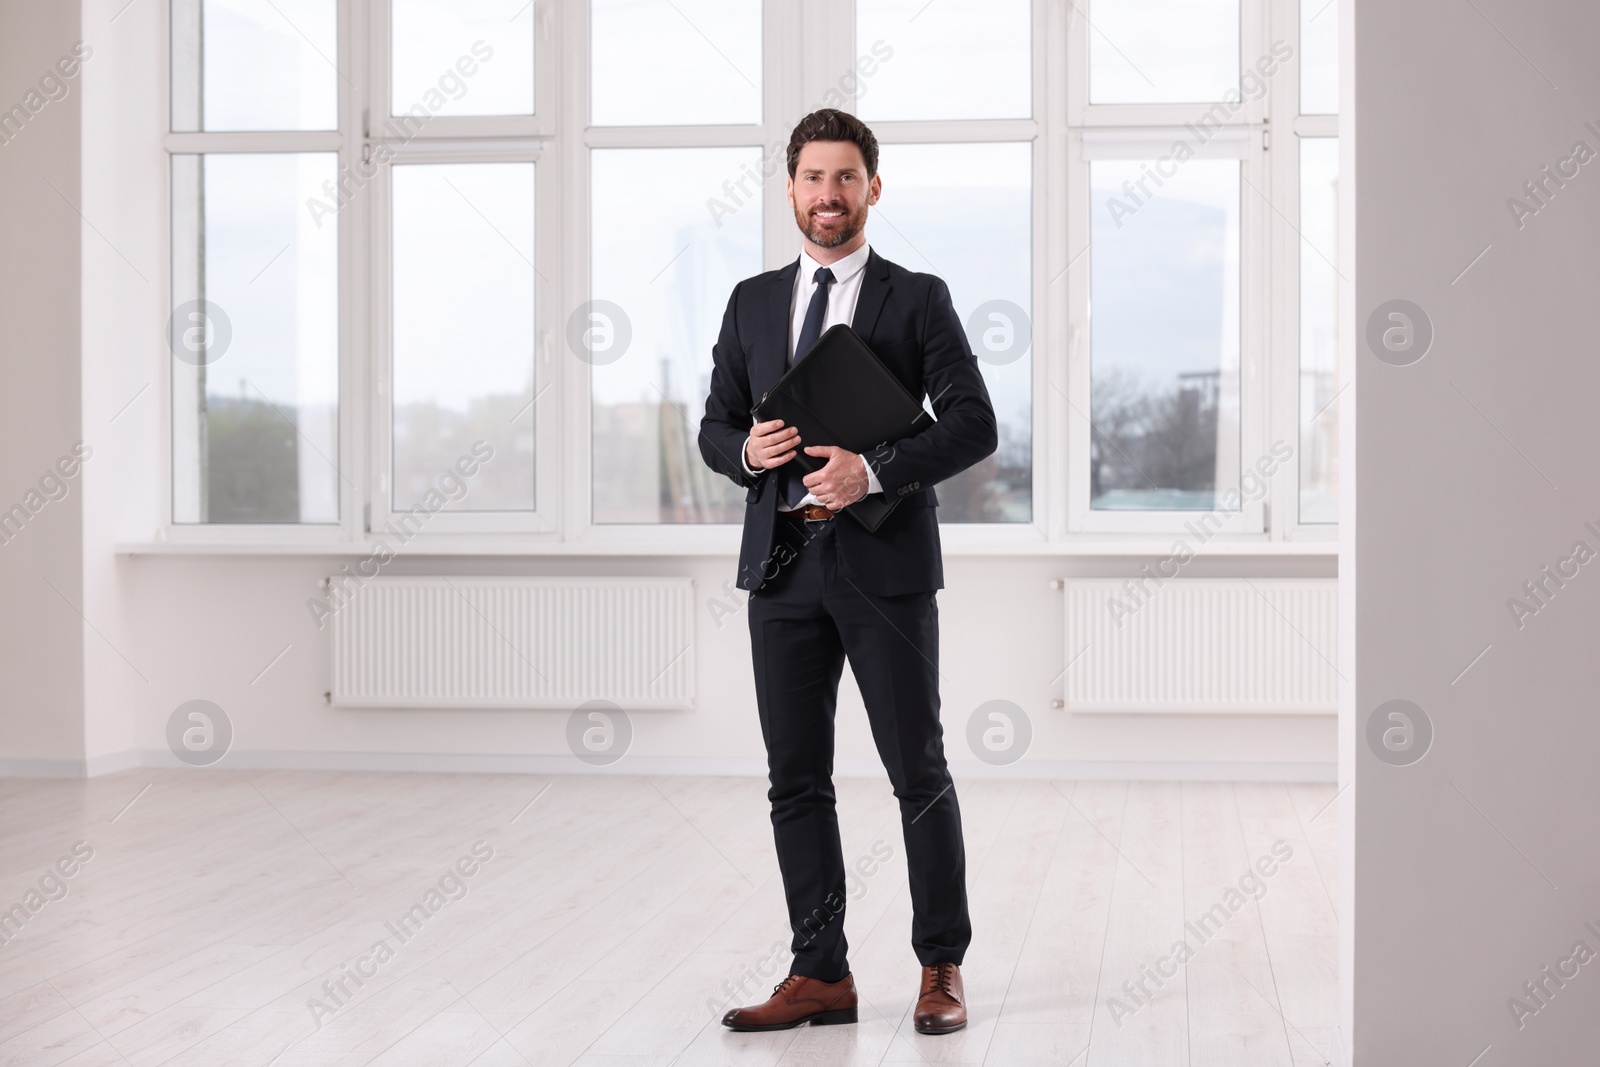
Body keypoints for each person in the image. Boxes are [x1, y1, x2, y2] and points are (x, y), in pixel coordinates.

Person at [698, 108, 998, 1036]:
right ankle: (820, 972)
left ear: (874, 187)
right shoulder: (751, 301)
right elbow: (712, 428)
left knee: (918, 770)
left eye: (845, 178)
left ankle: (939, 965)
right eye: (812, 178)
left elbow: (973, 422)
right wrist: (747, 451)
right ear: (789, 187)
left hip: (885, 567)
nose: (828, 195)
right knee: (797, 779)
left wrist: (872, 469)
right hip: (782, 570)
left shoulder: (917, 298)